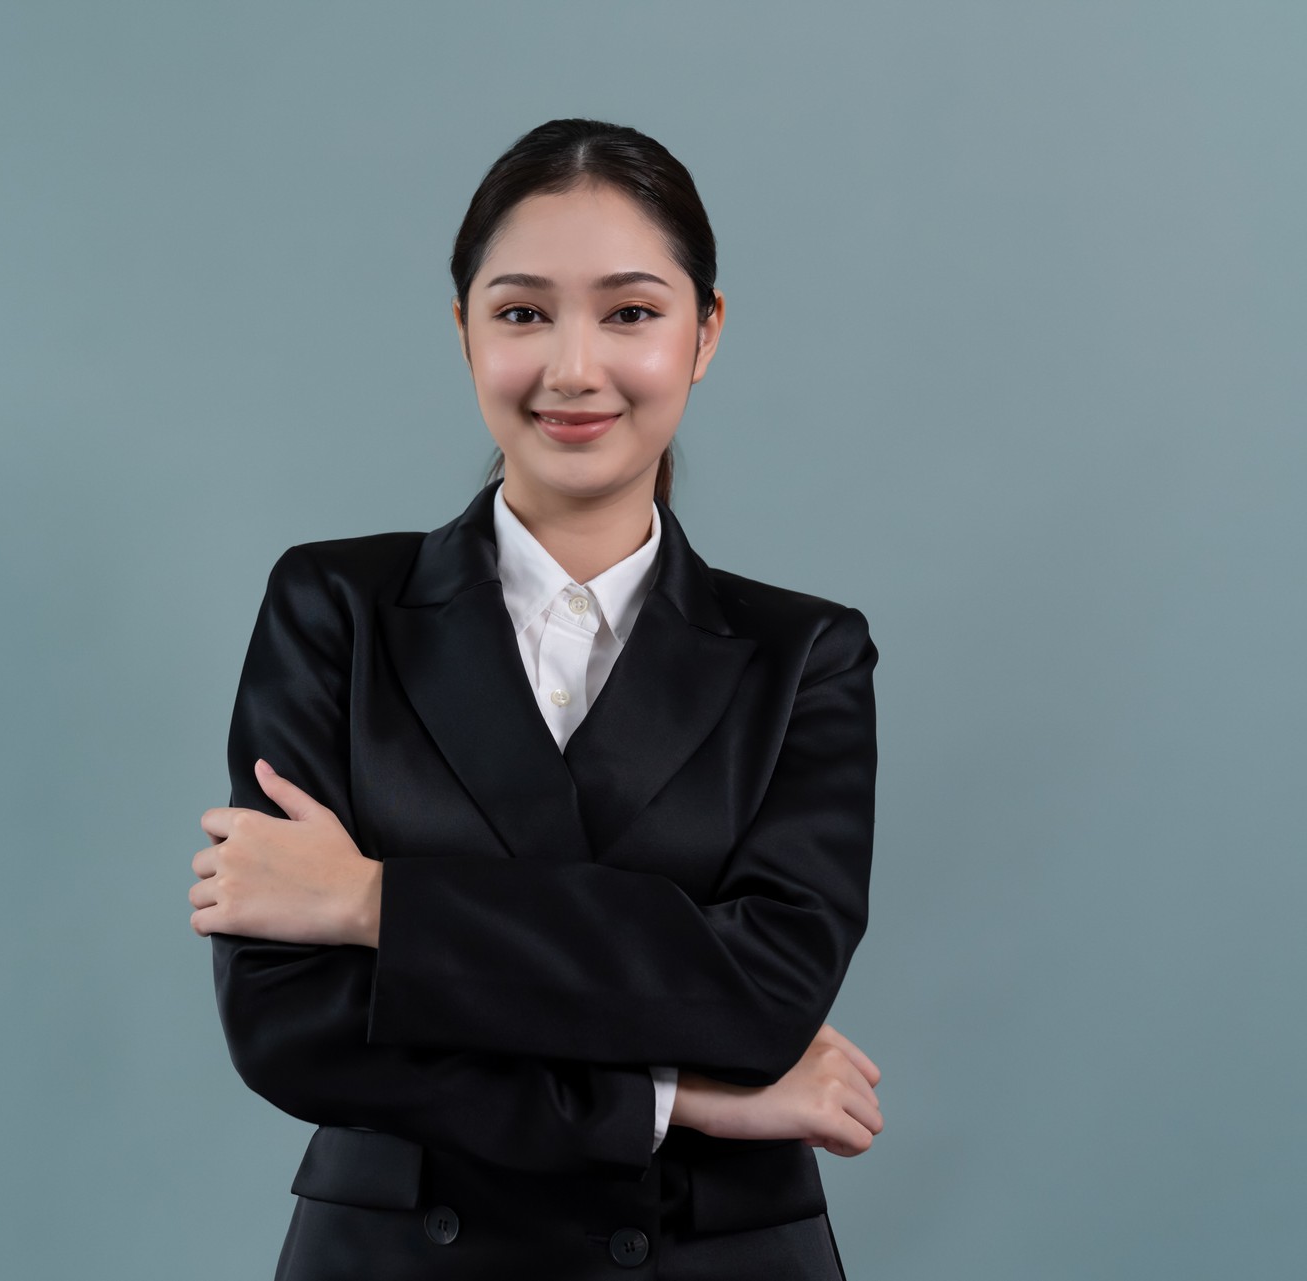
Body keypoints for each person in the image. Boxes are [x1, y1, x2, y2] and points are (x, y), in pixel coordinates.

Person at [189, 117, 883, 1280]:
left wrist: (376, 904)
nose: (573, 368)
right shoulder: (334, 607)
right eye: (521, 313)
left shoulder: (802, 654)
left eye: (631, 312)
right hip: (402, 1253)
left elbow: (761, 996)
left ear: (704, 333)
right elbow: (288, 1025)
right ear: (462, 332)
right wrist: (675, 1100)